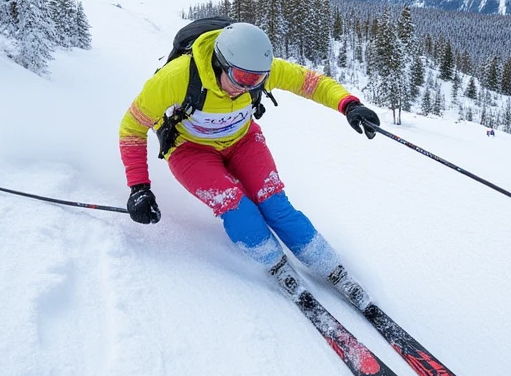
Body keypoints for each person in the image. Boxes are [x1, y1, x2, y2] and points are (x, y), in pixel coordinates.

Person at [118, 22, 380, 305]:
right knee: (236, 206)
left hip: (242, 141)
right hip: (189, 150)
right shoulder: (177, 77)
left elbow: (310, 83)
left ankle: (328, 264)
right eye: (241, 77)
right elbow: (131, 128)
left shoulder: (256, 75)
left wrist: (349, 105)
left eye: (257, 80)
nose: (247, 87)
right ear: (220, 63)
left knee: (275, 203)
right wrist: (139, 188)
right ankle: (273, 261)